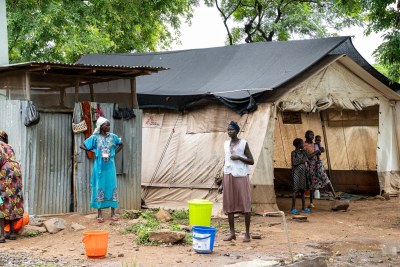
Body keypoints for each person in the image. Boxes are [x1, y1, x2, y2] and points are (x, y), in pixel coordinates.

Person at [80, 117, 123, 223]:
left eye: (109, 125)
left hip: (110, 166)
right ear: (101, 127)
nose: (109, 126)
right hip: (99, 167)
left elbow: (121, 144)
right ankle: (99, 214)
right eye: (107, 125)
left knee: (112, 186)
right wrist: (93, 150)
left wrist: (113, 153)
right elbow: (82, 145)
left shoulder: (113, 137)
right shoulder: (95, 137)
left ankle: (113, 213)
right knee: (99, 186)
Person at [218, 121, 254, 242]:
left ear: (237, 131)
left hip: (241, 175)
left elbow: (251, 161)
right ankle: (232, 233)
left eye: (232, 130)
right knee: (229, 205)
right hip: (228, 175)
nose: (229, 132)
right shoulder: (225, 144)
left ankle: (247, 234)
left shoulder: (243, 143)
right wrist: (222, 183)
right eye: (228, 130)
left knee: (245, 203)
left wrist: (239, 157)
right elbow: (226, 163)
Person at [0, 130, 24, 242]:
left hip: (5, 171)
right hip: (16, 170)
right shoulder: (9, 146)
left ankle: (1, 235)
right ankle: (12, 233)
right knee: (13, 199)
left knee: (2, 200)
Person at [303, 131, 335, 208]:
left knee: (326, 178)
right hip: (311, 165)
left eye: (313, 135)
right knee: (311, 183)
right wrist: (316, 151)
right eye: (311, 135)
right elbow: (308, 157)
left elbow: (322, 150)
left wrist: (319, 146)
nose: (313, 136)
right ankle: (311, 202)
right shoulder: (304, 145)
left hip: (318, 164)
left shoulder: (315, 144)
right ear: (306, 136)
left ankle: (335, 195)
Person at [290, 138, 311, 215]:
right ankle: (293, 208)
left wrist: (306, 154)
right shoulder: (293, 153)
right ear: (299, 145)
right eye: (302, 143)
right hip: (296, 173)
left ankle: (303, 207)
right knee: (295, 190)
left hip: (303, 172)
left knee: (302, 190)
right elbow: (294, 163)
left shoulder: (303, 152)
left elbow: (308, 160)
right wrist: (303, 160)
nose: (303, 145)